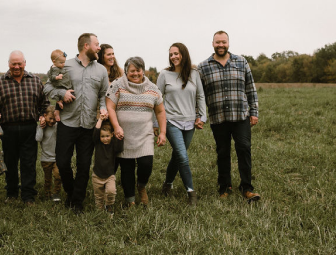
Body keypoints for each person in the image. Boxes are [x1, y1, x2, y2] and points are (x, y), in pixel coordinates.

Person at [44, 33, 109, 214]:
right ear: (86, 46)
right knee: (62, 162)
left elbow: (104, 95)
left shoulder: (101, 71)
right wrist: (61, 94)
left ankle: (77, 202)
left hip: (88, 125)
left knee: (84, 164)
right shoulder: (66, 66)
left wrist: (103, 108)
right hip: (67, 122)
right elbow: (47, 87)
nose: (99, 48)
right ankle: (71, 192)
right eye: (97, 44)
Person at [198, 31, 261, 201]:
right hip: (218, 118)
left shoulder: (241, 62)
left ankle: (247, 187)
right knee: (223, 152)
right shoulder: (203, 67)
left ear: (228, 43)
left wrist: (254, 112)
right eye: (217, 42)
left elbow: (250, 89)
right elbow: (199, 95)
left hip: (240, 116)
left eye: (223, 42)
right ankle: (224, 187)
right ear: (212, 44)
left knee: (244, 148)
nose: (221, 45)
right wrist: (199, 115)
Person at [0, 50, 49, 205]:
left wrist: (42, 115)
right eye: (14, 63)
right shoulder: (0, 82)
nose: (17, 66)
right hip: (8, 129)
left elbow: (44, 104)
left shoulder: (35, 81)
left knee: (28, 163)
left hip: (29, 128)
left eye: (19, 63)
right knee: (10, 162)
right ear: (9, 64)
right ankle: (12, 192)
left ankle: (28, 195)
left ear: (24, 63)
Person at [106, 56, 166, 207]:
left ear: (143, 71)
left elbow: (160, 112)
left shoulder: (152, 88)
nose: (135, 74)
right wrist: (116, 127)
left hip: (144, 135)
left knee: (146, 164)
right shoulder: (117, 85)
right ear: (126, 71)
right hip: (123, 135)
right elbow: (110, 107)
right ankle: (130, 200)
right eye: (132, 71)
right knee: (127, 168)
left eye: (138, 70)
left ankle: (141, 185)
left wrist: (163, 132)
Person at [156, 42, 206, 206]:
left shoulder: (194, 74)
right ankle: (191, 192)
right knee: (183, 157)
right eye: (171, 54)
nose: (173, 57)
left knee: (177, 156)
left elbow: (200, 96)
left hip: (190, 122)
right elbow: (156, 100)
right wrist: (155, 124)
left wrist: (202, 117)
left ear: (183, 54)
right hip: (171, 121)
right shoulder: (164, 74)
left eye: (176, 53)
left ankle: (167, 184)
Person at [92, 115, 124, 215]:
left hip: (109, 175)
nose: (105, 139)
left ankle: (109, 205)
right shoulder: (98, 143)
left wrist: (120, 136)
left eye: (107, 136)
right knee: (99, 195)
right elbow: (96, 132)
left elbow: (120, 148)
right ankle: (100, 210)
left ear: (111, 135)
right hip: (97, 175)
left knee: (111, 191)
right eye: (102, 136)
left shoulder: (113, 145)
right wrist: (100, 119)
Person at [36, 106, 62, 202]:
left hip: (56, 158)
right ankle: (47, 194)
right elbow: (38, 139)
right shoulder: (41, 127)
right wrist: (41, 126)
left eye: (54, 119)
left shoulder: (57, 126)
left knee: (58, 175)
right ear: (44, 116)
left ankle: (56, 193)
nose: (52, 121)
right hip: (45, 159)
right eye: (50, 118)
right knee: (48, 179)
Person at [46, 50, 72, 121]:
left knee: (62, 97)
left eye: (64, 62)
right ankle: (57, 110)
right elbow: (52, 77)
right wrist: (57, 77)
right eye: (61, 63)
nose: (63, 64)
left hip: (62, 84)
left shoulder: (57, 67)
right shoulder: (54, 69)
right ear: (54, 61)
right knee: (62, 94)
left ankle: (59, 103)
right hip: (59, 84)